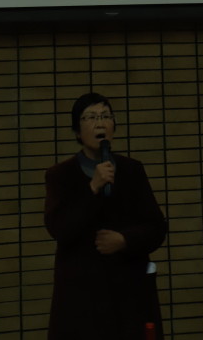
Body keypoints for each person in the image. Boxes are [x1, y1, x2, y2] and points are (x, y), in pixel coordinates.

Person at [45, 92, 167, 340]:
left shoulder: (132, 170)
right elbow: (60, 229)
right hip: (82, 299)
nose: (100, 123)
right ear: (77, 131)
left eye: (105, 116)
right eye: (90, 117)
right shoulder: (60, 175)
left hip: (129, 296)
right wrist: (93, 187)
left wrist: (124, 240)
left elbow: (156, 227)